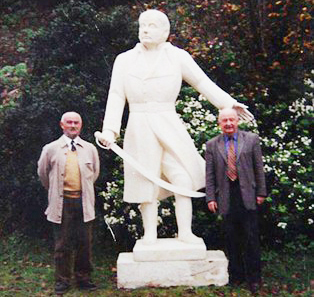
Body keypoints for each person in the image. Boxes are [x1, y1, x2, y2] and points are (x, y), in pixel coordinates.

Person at [97, 9, 254, 245]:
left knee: (182, 177)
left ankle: (185, 233)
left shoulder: (178, 57)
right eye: (142, 25)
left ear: (165, 32)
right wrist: (110, 130)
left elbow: (202, 82)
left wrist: (228, 104)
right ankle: (149, 234)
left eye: (151, 26)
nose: (146, 30)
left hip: (168, 122)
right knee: (146, 181)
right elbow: (117, 95)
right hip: (139, 126)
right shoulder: (125, 60)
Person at [37, 111, 100, 294]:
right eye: (69, 122)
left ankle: (84, 279)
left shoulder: (89, 149)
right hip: (62, 203)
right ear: (62, 125)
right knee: (62, 244)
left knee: (84, 243)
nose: (73, 125)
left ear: (81, 125)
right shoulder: (51, 149)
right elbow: (43, 174)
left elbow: (94, 173)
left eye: (76, 123)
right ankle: (62, 281)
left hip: (83, 201)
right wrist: (57, 191)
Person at [205, 108, 266, 294]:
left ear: (237, 121)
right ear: (219, 124)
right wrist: (210, 197)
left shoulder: (251, 140)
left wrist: (261, 192)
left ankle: (254, 278)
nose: (229, 123)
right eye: (225, 121)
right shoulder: (212, 145)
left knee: (251, 238)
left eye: (232, 120)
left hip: (247, 195)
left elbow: (258, 167)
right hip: (226, 197)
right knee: (231, 239)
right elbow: (209, 175)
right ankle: (237, 276)